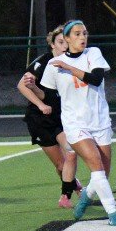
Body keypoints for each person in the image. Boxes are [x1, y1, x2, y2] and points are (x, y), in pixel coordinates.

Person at [40, 20, 116, 226]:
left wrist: (68, 68)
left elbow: (96, 79)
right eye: (77, 34)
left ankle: (86, 195)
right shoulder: (54, 65)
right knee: (96, 165)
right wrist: (32, 89)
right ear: (67, 39)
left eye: (84, 33)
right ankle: (113, 214)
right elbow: (48, 95)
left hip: (100, 120)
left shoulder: (93, 53)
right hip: (75, 124)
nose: (82, 37)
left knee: (102, 173)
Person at [18, 25, 81, 209]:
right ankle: (76, 186)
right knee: (61, 165)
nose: (64, 46)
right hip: (40, 120)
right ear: (52, 44)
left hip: (61, 117)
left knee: (71, 152)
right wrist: (40, 104)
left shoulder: (72, 63)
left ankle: (65, 196)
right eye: (60, 42)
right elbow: (22, 85)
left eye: (66, 42)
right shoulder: (43, 62)